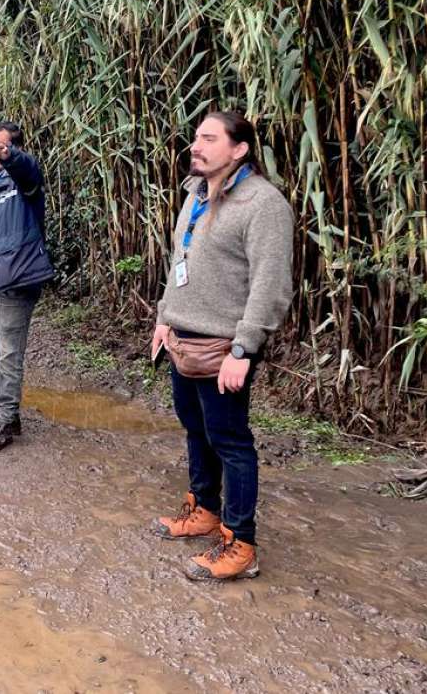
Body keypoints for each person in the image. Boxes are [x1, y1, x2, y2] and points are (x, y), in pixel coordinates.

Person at [150, 111, 293, 582]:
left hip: (224, 346)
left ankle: (240, 542)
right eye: (196, 138)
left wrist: (244, 349)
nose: (196, 145)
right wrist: (164, 319)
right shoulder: (194, 194)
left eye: (209, 139)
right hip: (182, 338)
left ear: (239, 149)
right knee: (195, 427)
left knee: (231, 441)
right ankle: (204, 509)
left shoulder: (262, 204)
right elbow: (179, 261)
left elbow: (270, 285)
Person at [0, 122, 55, 453]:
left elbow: (29, 170)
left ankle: (4, 419)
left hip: (15, 282)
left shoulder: (25, 185)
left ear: (16, 149)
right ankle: (6, 413)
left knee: (9, 353)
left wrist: (12, 157)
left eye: (2, 146)